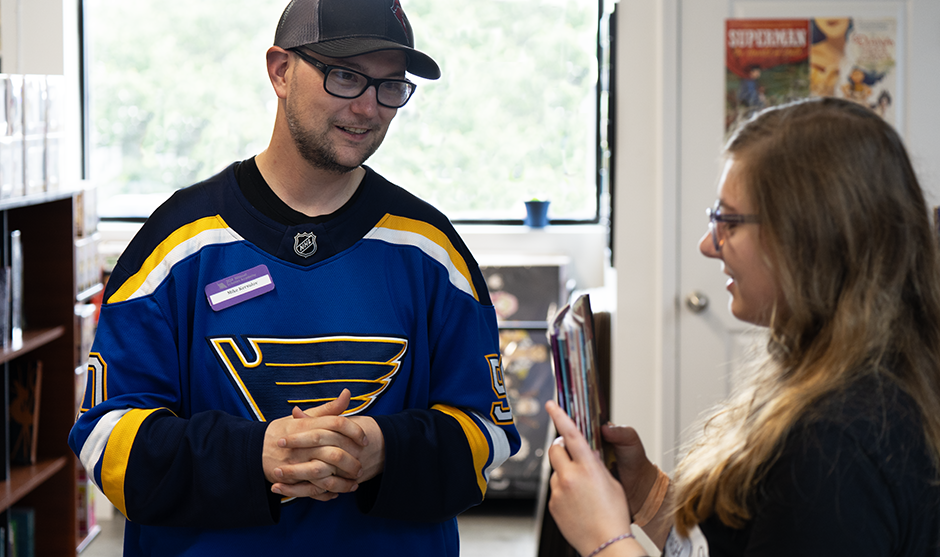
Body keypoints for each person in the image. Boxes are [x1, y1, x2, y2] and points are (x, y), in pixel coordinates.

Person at [68, 0, 520, 555]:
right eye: (346, 75)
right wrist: (255, 454)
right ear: (280, 70)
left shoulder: (430, 250)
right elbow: (104, 437)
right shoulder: (177, 244)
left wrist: (386, 449)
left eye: (390, 86)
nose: (368, 108)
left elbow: (491, 430)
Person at [544, 97, 940, 557]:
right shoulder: (852, 380)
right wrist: (647, 495)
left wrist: (605, 539)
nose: (708, 245)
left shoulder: (834, 446)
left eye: (727, 221)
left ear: (807, 237)